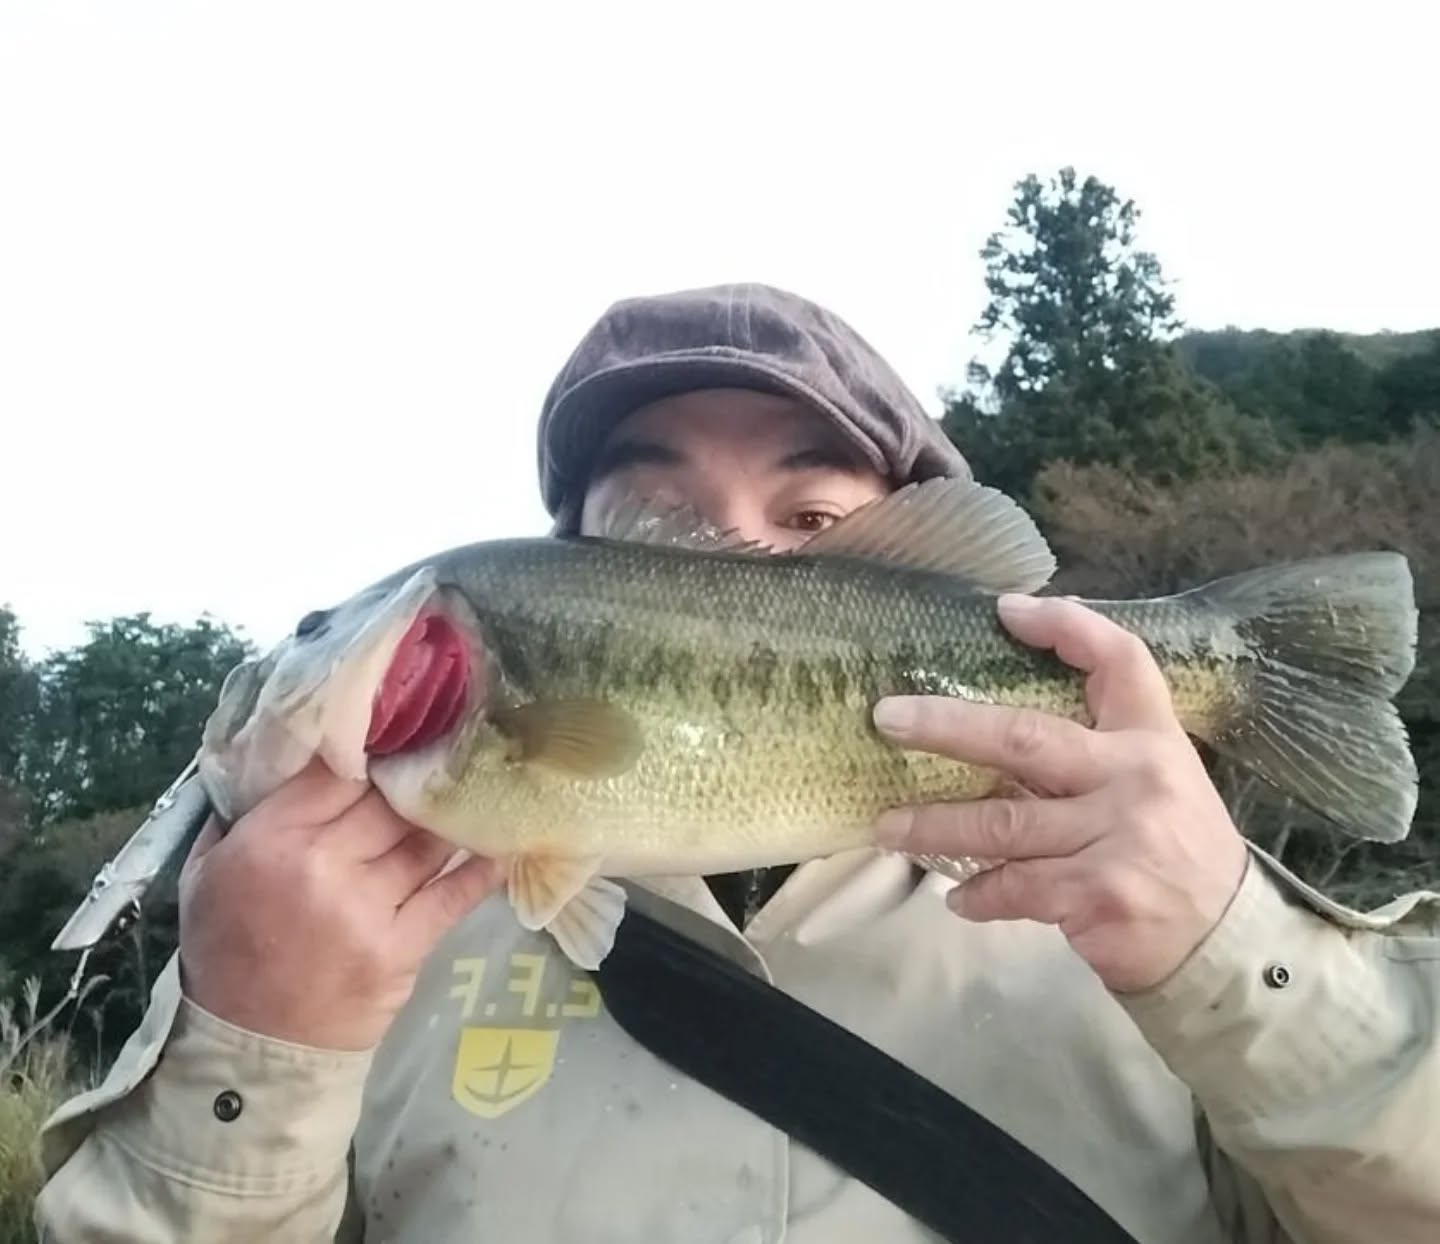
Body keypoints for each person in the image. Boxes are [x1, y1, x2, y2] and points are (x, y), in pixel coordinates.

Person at [33, 283, 1440, 1243]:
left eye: (817, 508)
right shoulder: (358, 965)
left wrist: (1234, 954)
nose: (745, 551)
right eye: (652, 516)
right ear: (570, 572)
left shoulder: (1140, 911)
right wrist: (255, 1045)